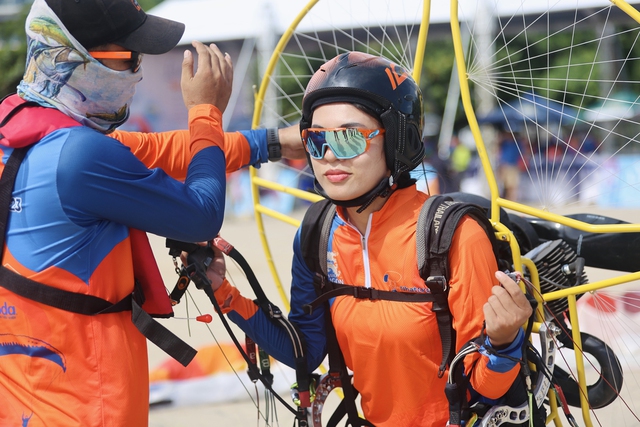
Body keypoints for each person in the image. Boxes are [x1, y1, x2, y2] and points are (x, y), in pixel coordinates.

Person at [0, 0, 302, 425]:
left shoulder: (20, 131)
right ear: (79, 59)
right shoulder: (81, 156)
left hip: (24, 394)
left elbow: (162, 151)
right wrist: (206, 110)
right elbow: (201, 215)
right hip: (85, 404)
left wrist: (271, 142)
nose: (139, 70)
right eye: (130, 57)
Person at [203, 52, 534, 426]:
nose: (328, 155)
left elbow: (486, 387)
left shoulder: (453, 236)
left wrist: (504, 341)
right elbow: (305, 352)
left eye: (348, 138)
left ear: (397, 140)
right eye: (316, 140)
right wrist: (223, 290)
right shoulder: (316, 234)